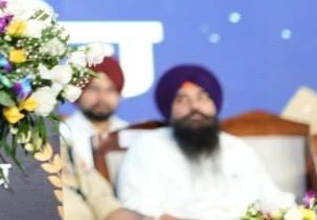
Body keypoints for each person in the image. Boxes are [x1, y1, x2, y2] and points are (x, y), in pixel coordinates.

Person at [116, 64, 293, 220]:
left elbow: (273, 201)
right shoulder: (148, 148)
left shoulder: (238, 148)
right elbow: (137, 209)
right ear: (169, 109)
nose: (195, 107)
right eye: (182, 100)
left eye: (202, 98)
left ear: (214, 105)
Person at [63, 55, 129, 170]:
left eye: (110, 90)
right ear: (79, 92)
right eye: (94, 89)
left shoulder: (129, 133)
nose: (102, 97)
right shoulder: (63, 134)